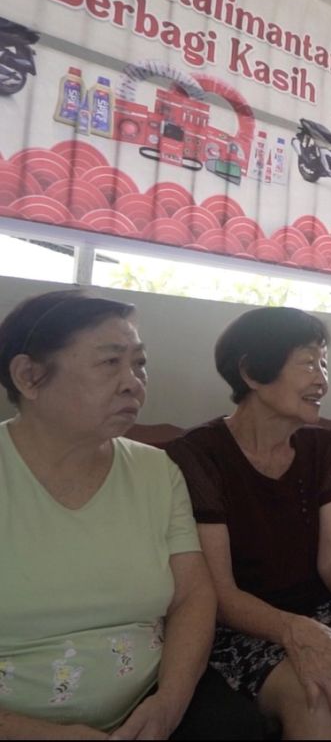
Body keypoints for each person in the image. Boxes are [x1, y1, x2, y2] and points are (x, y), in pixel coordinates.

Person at [0, 289, 262, 740]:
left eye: (139, 363)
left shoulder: (156, 470)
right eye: (110, 363)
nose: (133, 382)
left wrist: (169, 704)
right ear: (28, 376)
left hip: (147, 705)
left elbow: (192, 598)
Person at [165, 307, 331, 739]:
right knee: (318, 699)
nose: (322, 378)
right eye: (307, 362)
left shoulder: (320, 447)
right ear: (250, 371)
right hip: (237, 624)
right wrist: (295, 632)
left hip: (317, 610)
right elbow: (219, 593)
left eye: (324, 362)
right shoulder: (199, 455)